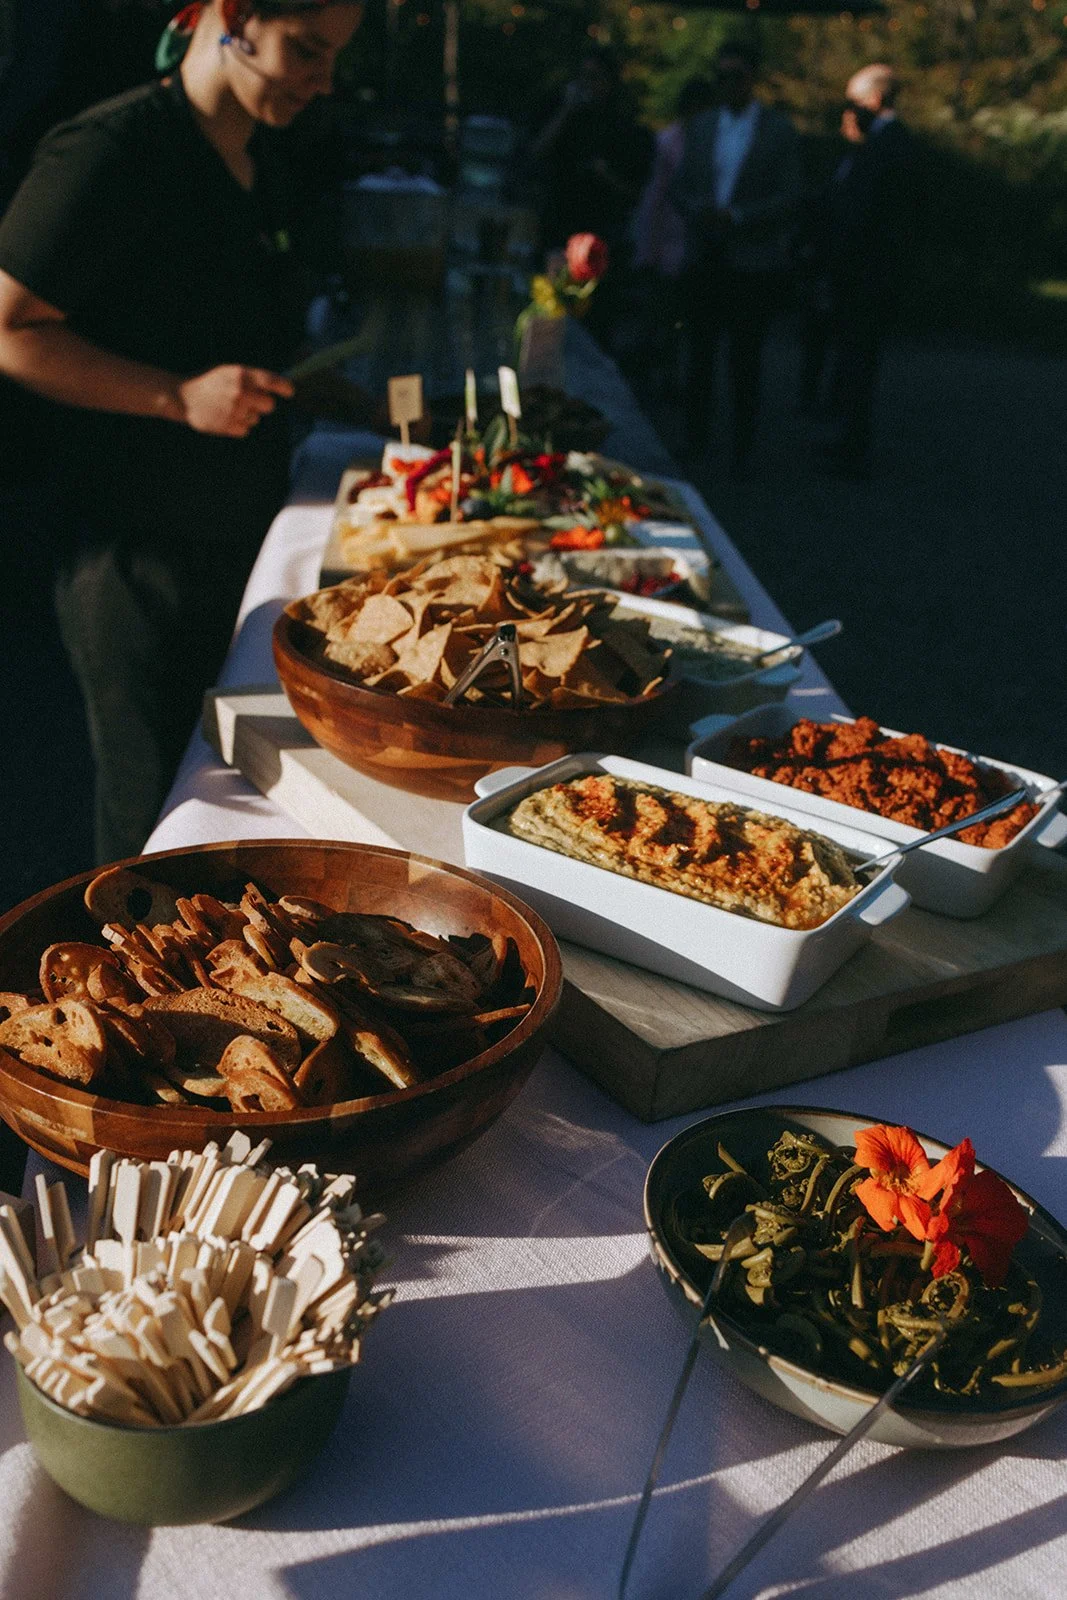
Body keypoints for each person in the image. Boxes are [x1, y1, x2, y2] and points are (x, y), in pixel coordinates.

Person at [0, 0, 364, 863]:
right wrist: (174, 396)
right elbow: (9, 327)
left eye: (334, 59)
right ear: (232, 16)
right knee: (157, 825)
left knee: (231, 817)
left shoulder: (257, 155)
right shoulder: (113, 149)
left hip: (232, 538)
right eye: (306, 50)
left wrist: (325, 392)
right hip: (135, 556)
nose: (322, 81)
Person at [670, 41, 801, 474]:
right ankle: (695, 438)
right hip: (706, 255)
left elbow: (789, 195)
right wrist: (700, 212)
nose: (727, 85)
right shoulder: (702, 126)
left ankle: (741, 448)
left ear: (752, 79)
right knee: (700, 355)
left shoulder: (777, 130)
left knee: (745, 359)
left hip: (751, 261)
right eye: (721, 76)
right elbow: (681, 185)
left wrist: (741, 216)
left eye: (736, 76)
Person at [815, 64, 919, 477]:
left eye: (854, 100)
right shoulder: (878, 142)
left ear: (874, 100)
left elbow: (875, 214)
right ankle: (846, 434)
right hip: (864, 271)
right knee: (853, 355)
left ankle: (852, 443)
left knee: (859, 355)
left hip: (869, 272)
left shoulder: (888, 145)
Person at [531, 47, 653, 255]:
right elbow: (536, 152)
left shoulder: (622, 126)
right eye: (583, 77)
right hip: (559, 221)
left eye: (594, 78)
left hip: (601, 227)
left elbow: (635, 188)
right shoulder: (563, 115)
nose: (587, 85)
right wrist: (565, 112)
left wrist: (605, 174)